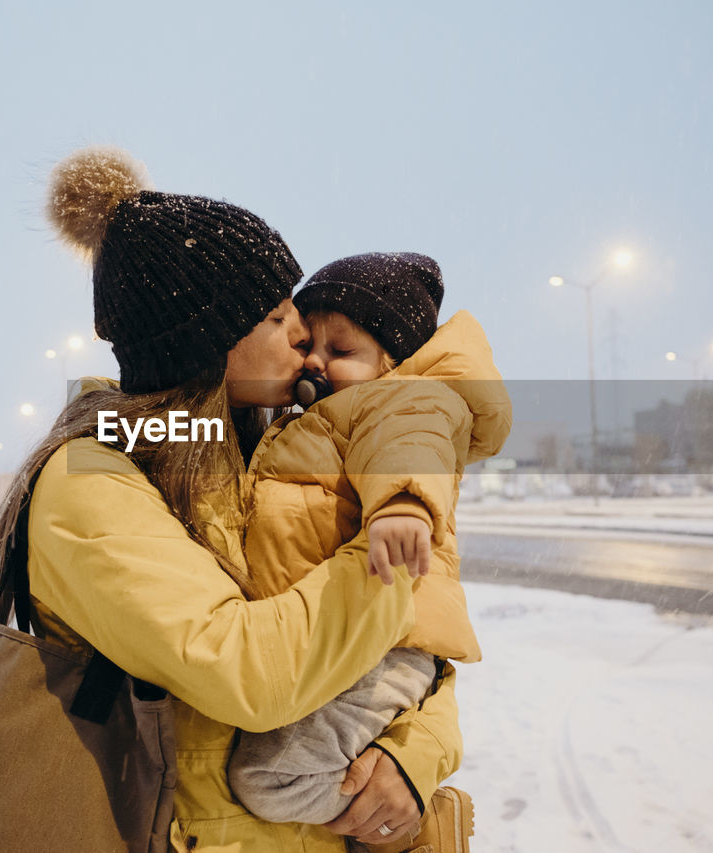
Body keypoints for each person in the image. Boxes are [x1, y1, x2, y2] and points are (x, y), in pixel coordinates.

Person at [0, 146, 463, 852]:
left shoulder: (262, 458)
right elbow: (252, 671)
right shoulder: (91, 484)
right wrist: (395, 558)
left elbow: (408, 661)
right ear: (209, 344)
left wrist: (413, 756)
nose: (303, 337)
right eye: (276, 316)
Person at [228, 252, 511, 849]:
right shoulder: (309, 420)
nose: (314, 361)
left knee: (269, 777)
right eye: (311, 343)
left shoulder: (402, 399)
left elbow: (411, 444)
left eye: (342, 350)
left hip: (382, 648)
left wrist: (403, 506)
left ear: (391, 362)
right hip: (339, 642)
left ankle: (418, 826)